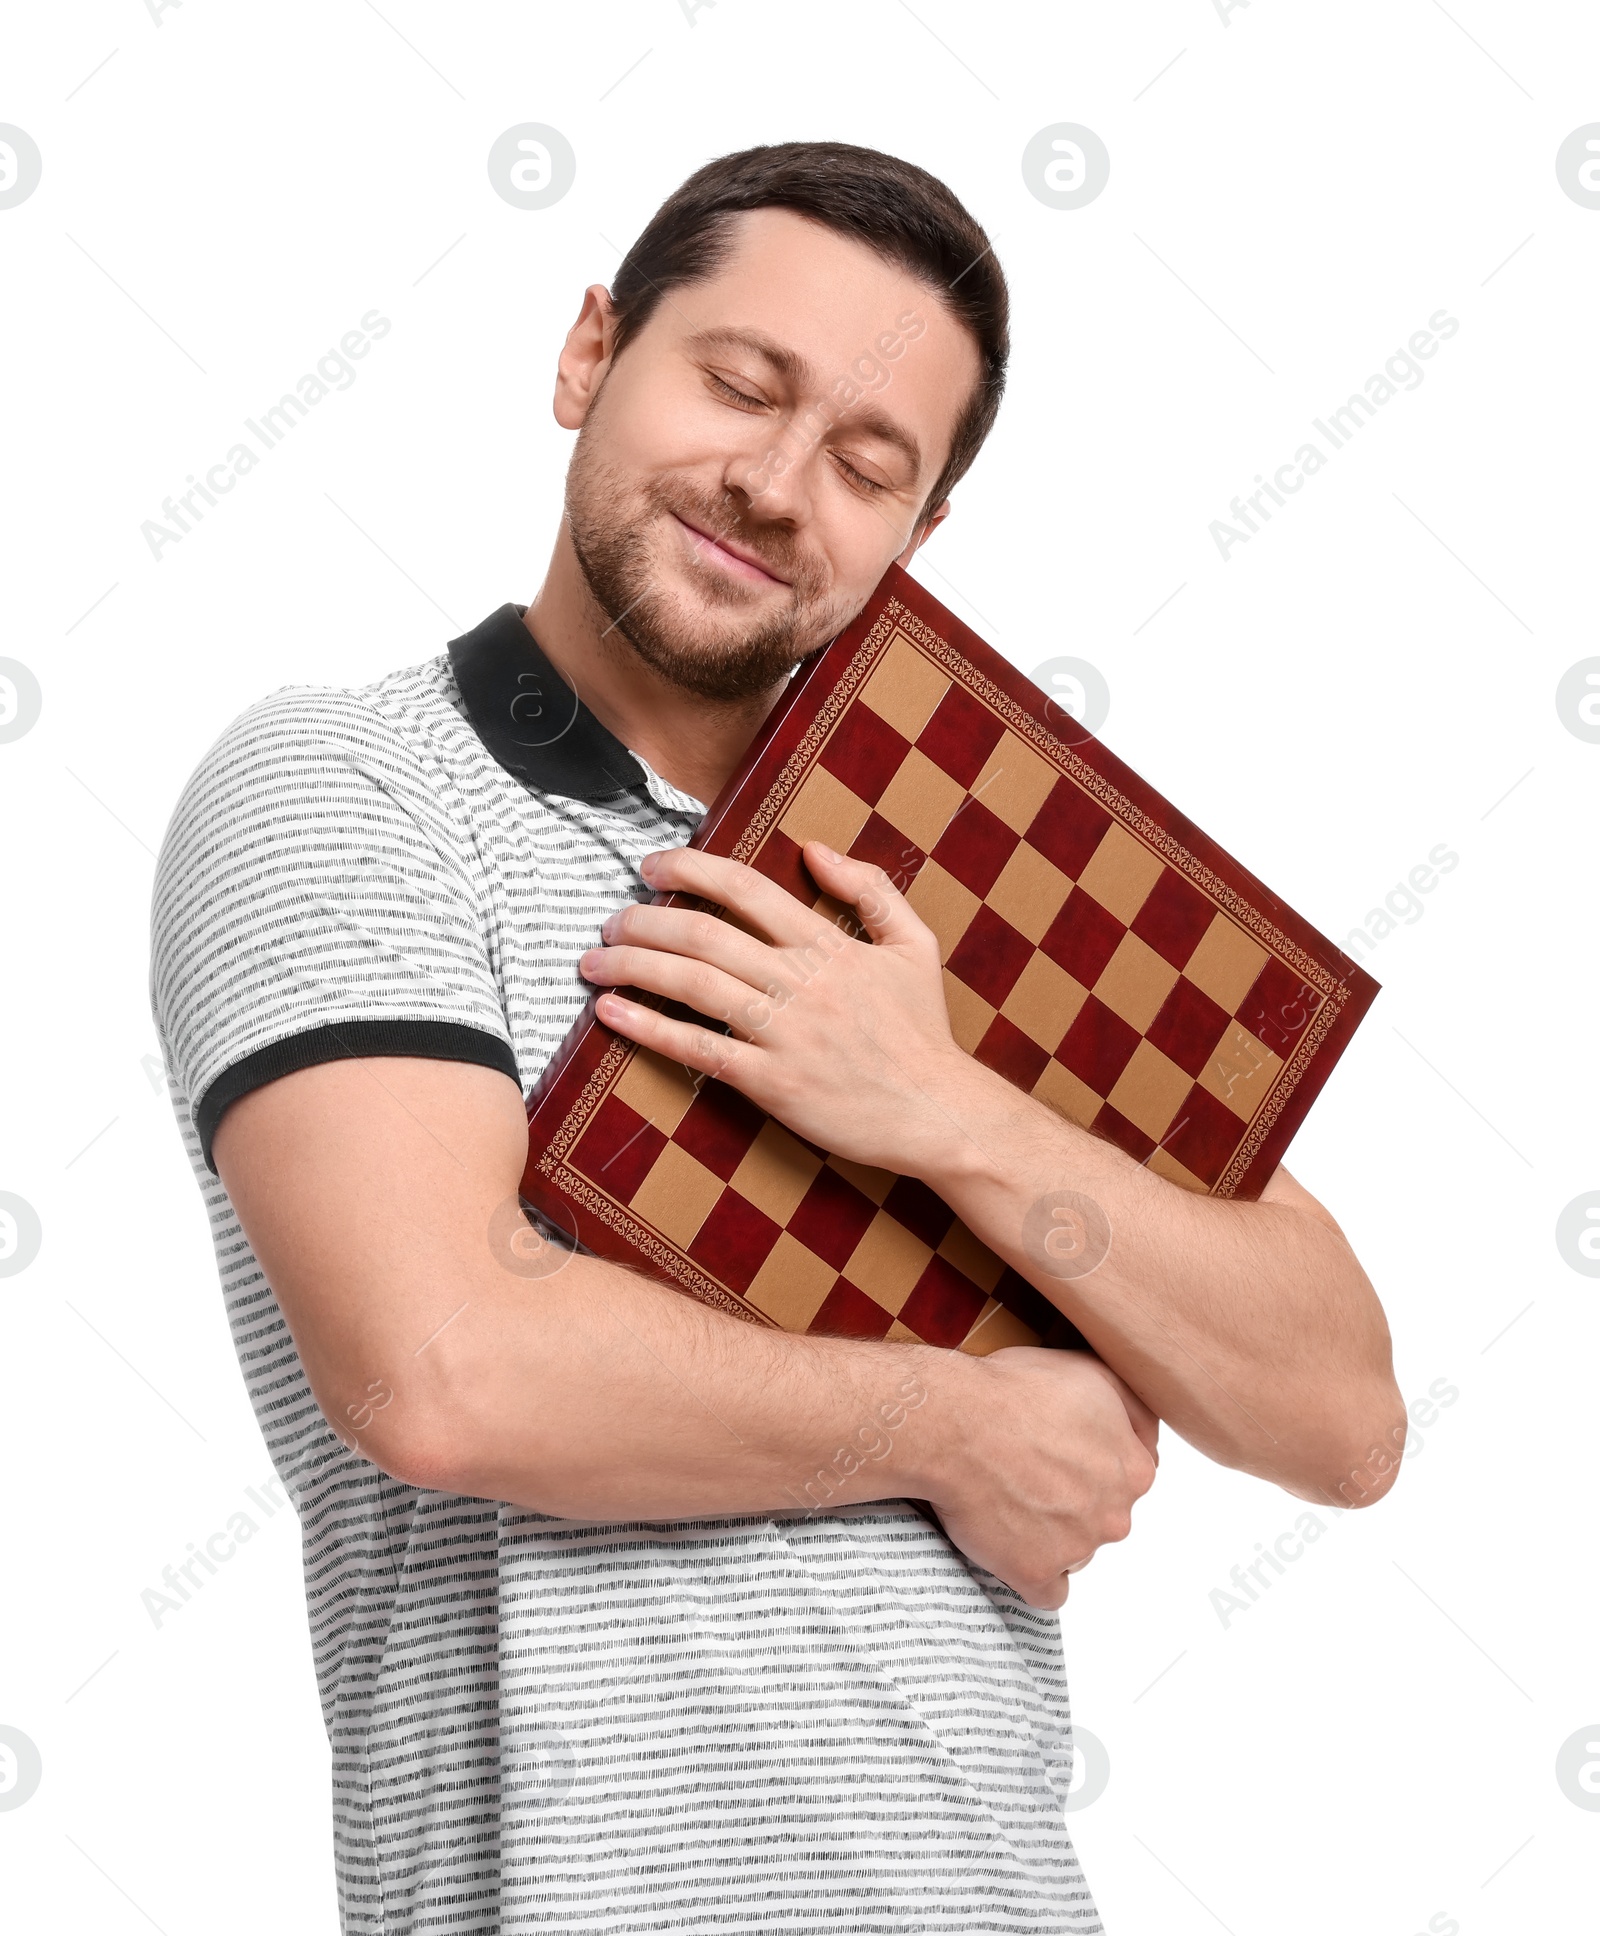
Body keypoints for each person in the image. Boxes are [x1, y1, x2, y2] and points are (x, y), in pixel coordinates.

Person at [149, 140, 1404, 1934]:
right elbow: (444, 1370)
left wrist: (943, 1107)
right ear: (591, 352)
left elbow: (1341, 1417)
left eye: (870, 463)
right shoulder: (347, 790)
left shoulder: (954, 868)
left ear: (920, 537)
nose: (773, 482)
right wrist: (959, 1427)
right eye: (737, 382)